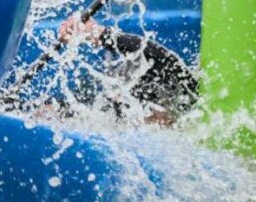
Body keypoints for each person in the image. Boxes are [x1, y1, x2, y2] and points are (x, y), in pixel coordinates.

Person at [57, 14, 198, 124]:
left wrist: (101, 34)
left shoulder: (188, 111)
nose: (157, 120)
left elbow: (166, 63)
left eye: (157, 114)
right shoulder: (114, 119)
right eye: (153, 115)